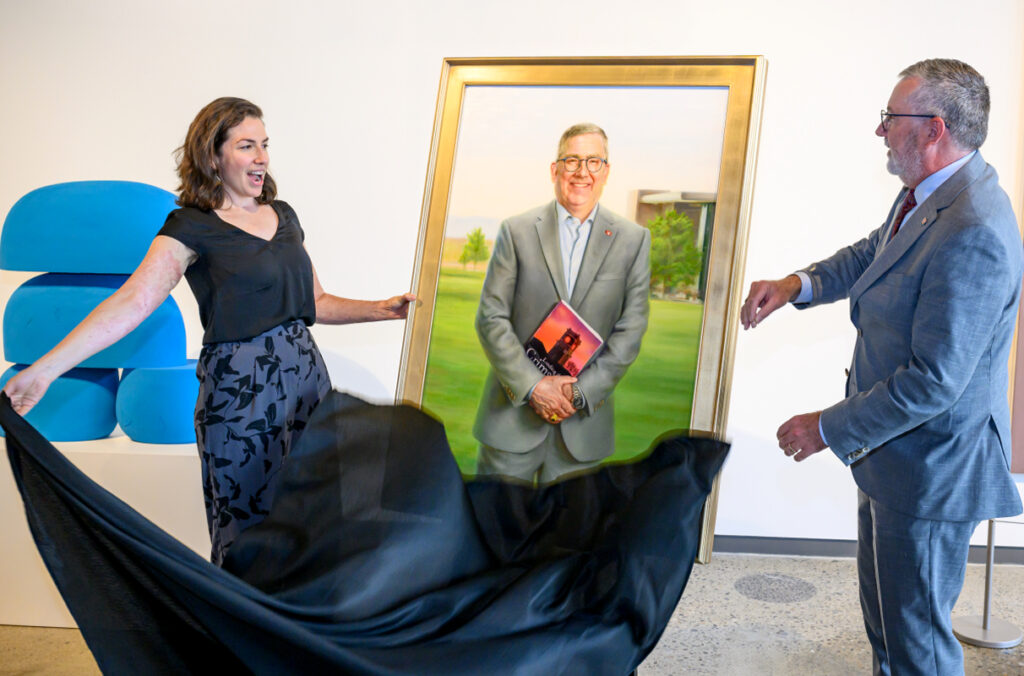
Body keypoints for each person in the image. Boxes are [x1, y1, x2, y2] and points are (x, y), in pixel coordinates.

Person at [2, 97, 414, 566]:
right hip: (239, 395)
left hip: (305, 387)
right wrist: (45, 370)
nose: (261, 156)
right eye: (246, 145)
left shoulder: (285, 216)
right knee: (247, 531)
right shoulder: (191, 226)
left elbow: (314, 303)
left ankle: (301, 636)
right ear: (213, 156)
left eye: (264, 145)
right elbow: (134, 301)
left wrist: (381, 309)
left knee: (315, 525)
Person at [740, 59, 1023, 675]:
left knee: (916, 641)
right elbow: (876, 252)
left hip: (931, 470)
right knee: (890, 627)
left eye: (890, 119)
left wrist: (827, 427)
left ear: (933, 128)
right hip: (893, 456)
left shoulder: (974, 229)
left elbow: (935, 382)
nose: (881, 132)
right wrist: (798, 283)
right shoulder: (930, 194)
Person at [473, 122, 650, 484]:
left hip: (583, 433)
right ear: (555, 170)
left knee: (569, 541)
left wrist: (581, 393)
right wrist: (534, 386)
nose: (582, 172)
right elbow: (491, 317)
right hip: (511, 424)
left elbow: (631, 330)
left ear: (606, 172)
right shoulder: (516, 230)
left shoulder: (634, 240)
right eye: (571, 161)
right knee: (496, 534)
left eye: (593, 161)